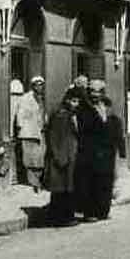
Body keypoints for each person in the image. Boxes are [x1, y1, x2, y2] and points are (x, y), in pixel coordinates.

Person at [74, 92, 126, 221]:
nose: (103, 108)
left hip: (109, 157)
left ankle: (103, 211)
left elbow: (119, 137)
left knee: (106, 184)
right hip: (93, 156)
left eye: (104, 105)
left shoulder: (115, 120)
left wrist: (122, 152)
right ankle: (91, 212)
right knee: (93, 184)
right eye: (99, 104)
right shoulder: (91, 117)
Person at [42, 88, 81, 227]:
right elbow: (54, 137)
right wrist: (59, 156)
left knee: (64, 189)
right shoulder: (61, 115)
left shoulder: (67, 113)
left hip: (67, 156)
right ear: (68, 100)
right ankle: (61, 218)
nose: (76, 104)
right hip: (62, 157)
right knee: (61, 191)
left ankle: (62, 217)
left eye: (77, 101)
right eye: (74, 101)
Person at [14, 76, 47, 192]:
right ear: (33, 86)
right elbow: (20, 114)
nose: (40, 87)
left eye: (41, 85)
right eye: (37, 85)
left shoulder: (41, 98)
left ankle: (37, 181)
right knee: (29, 158)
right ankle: (32, 182)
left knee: (39, 158)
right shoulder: (25, 98)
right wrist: (21, 127)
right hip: (28, 132)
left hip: (39, 131)